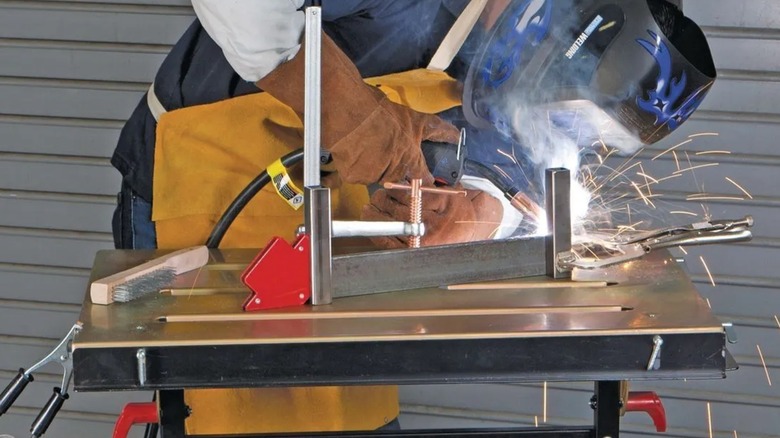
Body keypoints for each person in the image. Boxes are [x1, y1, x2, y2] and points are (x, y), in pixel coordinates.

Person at [110, 0, 715, 434]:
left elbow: (523, 152)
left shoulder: (535, 40)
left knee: (342, 417)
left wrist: (486, 209)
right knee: (234, 416)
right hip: (210, 187)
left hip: (338, 224)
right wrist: (354, 113)